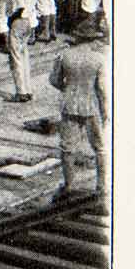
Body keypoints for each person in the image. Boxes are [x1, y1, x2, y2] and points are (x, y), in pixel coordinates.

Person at [48, 25, 110, 205]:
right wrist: (106, 110)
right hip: (91, 105)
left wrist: (67, 89)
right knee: (99, 146)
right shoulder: (99, 59)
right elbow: (103, 89)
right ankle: (102, 186)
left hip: (69, 104)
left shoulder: (64, 56)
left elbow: (54, 80)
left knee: (67, 148)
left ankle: (69, 185)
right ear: (91, 40)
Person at [0, 0, 41, 103]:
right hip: (28, 21)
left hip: (18, 20)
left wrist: (9, 20)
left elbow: (19, 8)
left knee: (15, 57)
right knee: (24, 56)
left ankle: (21, 91)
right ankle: (28, 89)